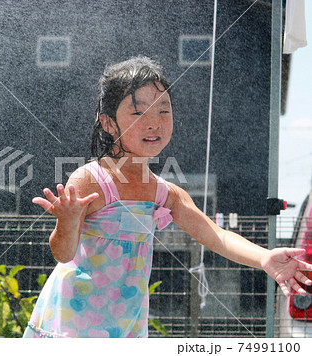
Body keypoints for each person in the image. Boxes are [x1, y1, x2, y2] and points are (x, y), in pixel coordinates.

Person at [23, 56, 312, 338]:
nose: (154, 123)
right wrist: (68, 222)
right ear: (109, 124)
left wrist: (265, 258)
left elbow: (216, 235)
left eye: (163, 110)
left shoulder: (166, 193)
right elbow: (63, 254)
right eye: (138, 113)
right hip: (74, 323)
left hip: (127, 325)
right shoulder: (90, 180)